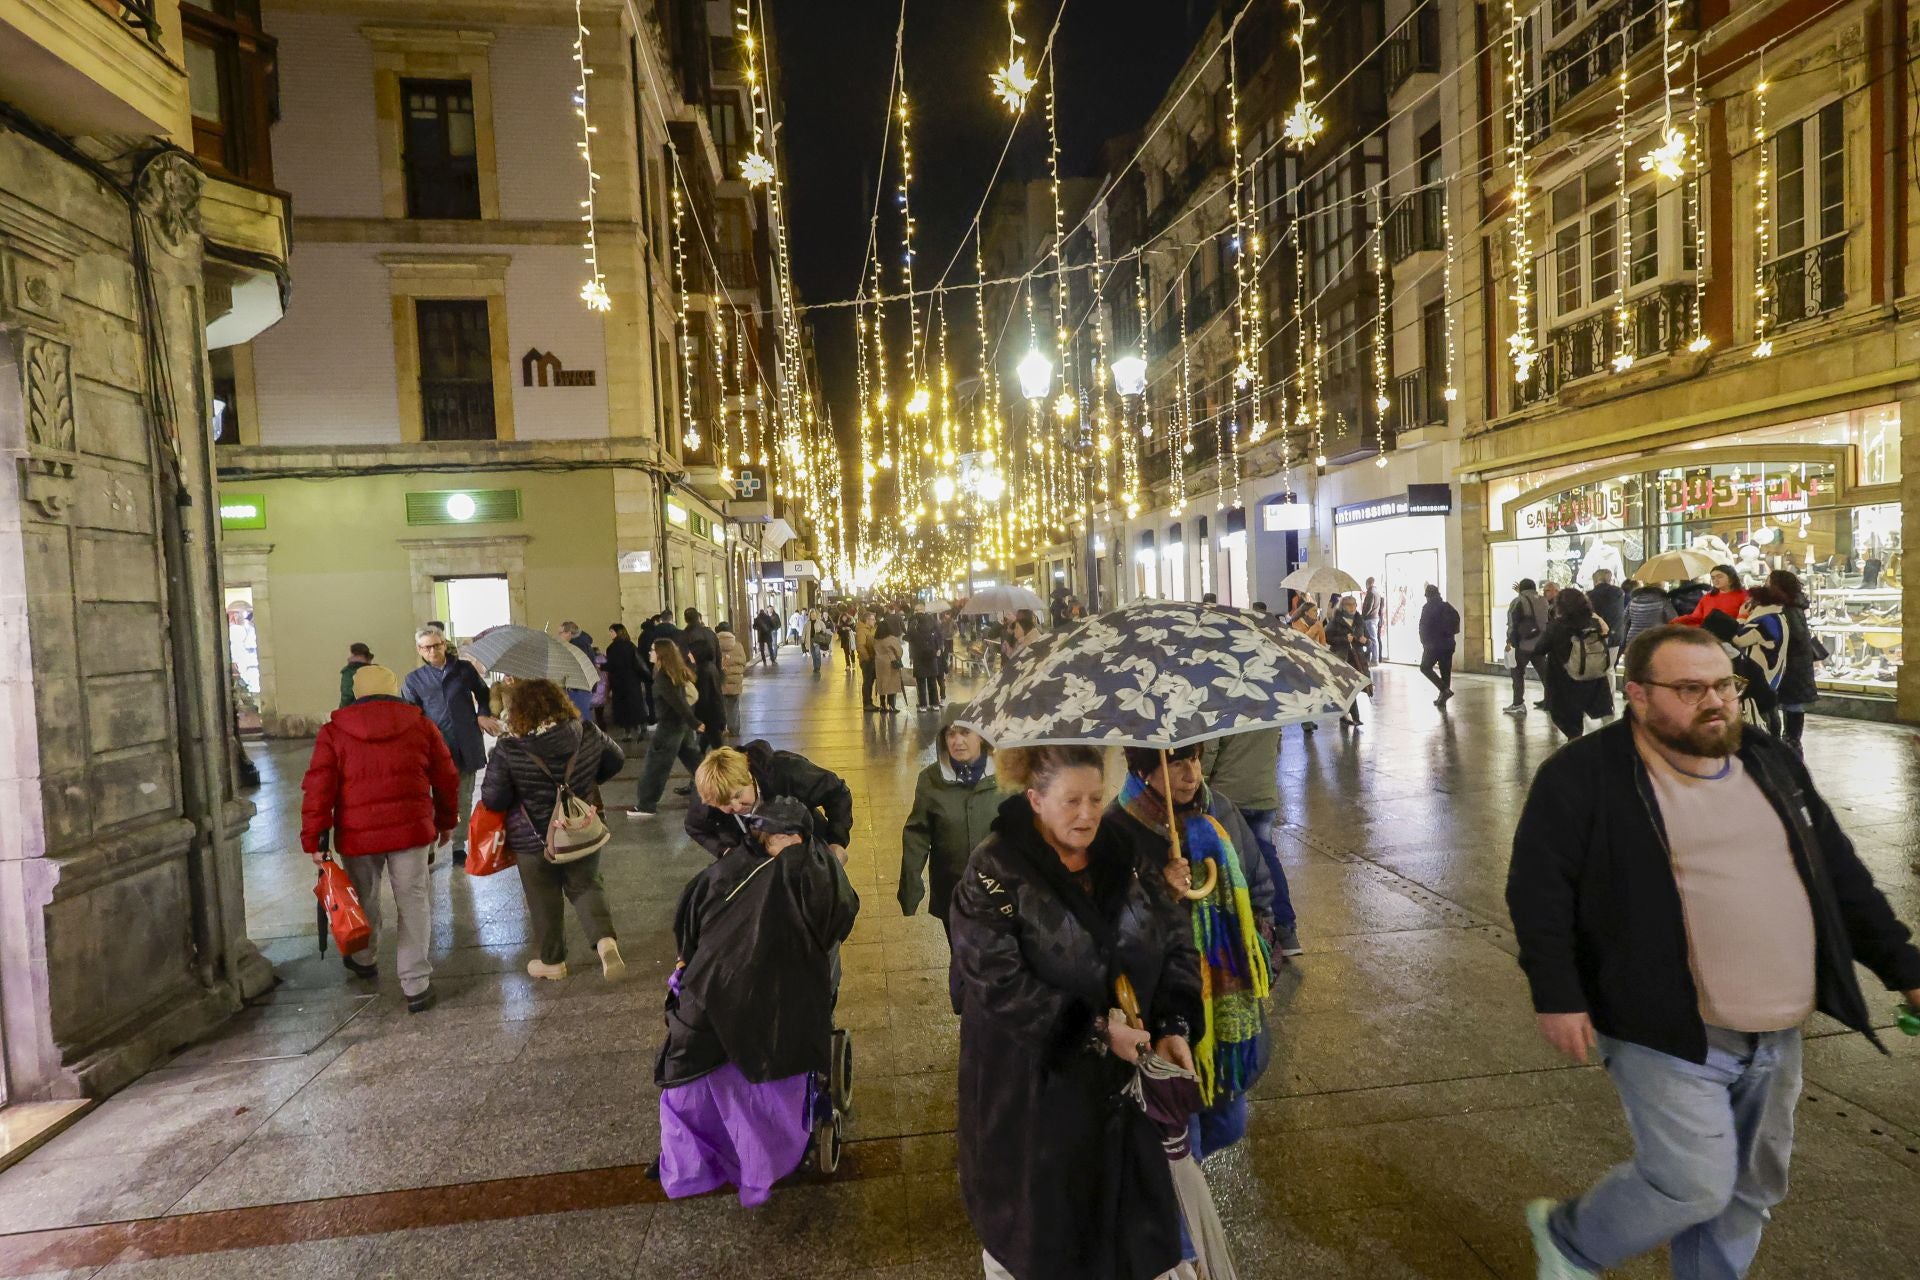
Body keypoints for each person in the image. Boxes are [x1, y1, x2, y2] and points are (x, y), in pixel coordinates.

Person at [1507, 624, 1920, 1280]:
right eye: (1690, 688)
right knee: (1692, 1184)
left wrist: (1904, 968)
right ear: (1637, 695)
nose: (1717, 701)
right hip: (1664, 1027)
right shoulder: (1585, 777)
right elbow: (1539, 894)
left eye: (1725, 684)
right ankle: (1572, 1237)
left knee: (1749, 1193)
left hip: (1778, 1030)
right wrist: (1557, 994)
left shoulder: (1769, 760)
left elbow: (1838, 873)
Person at [950, 745, 1203, 1280]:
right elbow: (998, 983)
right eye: (1070, 801)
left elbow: (1177, 940)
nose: (1086, 813)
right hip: (1034, 1099)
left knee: (1131, 1239)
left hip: (1125, 1094)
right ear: (1036, 799)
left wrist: (1175, 1024)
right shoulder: (993, 871)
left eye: (1094, 798)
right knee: (1050, 1242)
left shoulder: (1127, 851)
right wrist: (1092, 1031)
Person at [655, 796, 858, 1206]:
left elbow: (690, 926)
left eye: (789, 836)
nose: (782, 844)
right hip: (763, 1001)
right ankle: (766, 1151)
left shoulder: (724, 875)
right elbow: (836, 919)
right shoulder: (814, 872)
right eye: (776, 837)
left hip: (713, 1000)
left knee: (694, 1065)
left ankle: (704, 1159)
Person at [1107, 745, 1273, 1162]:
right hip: (1166, 1012)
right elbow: (1112, 931)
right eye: (1177, 763)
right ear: (1145, 771)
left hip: (1225, 1008)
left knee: (1228, 1124)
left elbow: (1258, 888)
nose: (1192, 773)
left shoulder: (1222, 814)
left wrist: (1259, 951)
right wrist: (1161, 894)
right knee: (1184, 1146)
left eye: (1195, 760)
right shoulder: (1117, 829)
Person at [300, 664, 457, 1014]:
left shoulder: (334, 731)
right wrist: (446, 821)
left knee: (363, 895)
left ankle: (364, 957)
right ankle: (416, 983)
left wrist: (314, 838)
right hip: (412, 830)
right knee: (414, 900)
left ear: (356, 691)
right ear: (394, 688)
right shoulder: (420, 723)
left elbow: (318, 788)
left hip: (358, 834)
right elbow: (446, 776)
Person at [479, 678, 626, 981]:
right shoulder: (586, 731)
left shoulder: (509, 748)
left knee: (542, 895)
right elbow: (616, 761)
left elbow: (493, 798)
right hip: (580, 828)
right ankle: (605, 942)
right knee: (586, 885)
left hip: (531, 837)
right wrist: (584, 784)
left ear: (518, 710)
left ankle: (552, 962)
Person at [401, 626, 501, 864]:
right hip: (434, 748)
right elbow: (410, 715)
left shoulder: (463, 670)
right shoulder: (414, 680)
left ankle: (459, 845)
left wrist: (482, 714)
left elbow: (484, 693)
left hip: (465, 743)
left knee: (464, 798)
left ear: (444, 644)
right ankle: (430, 844)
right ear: (420, 650)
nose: (433, 650)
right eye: (427, 647)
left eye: (437, 645)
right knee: (432, 801)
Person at [898, 709, 999, 941]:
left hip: (1001, 893)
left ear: (982, 736)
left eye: (965, 733)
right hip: (953, 890)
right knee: (963, 959)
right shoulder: (930, 780)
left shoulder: (1007, 778)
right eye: (950, 734)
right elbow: (918, 834)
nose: (957, 741)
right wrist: (910, 884)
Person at [1201, 728, 1302, 958]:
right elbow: (1276, 746)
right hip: (1264, 795)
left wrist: (1201, 780)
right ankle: (1286, 928)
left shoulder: (1224, 702)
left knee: (1230, 865)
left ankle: (1241, 932)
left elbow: (1210, 750)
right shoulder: (1267, 702)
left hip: (1230, 797)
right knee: (1266, 858)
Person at [686, 741, 854, 862]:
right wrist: (724, 849)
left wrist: (836, 842)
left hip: (808, 851)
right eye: (724, 804)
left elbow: (837, 793)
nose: (736, 807)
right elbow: (694, 827)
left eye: (738, 795)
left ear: (748, 776)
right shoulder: (708, 794)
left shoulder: (787, 772)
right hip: (755, 862)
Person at [626, 639, 705, 819]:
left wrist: (694, 722)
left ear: (661, 654)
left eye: (653, 650)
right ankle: (720, 785)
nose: (649, 652)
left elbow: (678, 703)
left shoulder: (663, 677)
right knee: (694, 760)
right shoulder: (673, 673)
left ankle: (646, 805)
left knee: (656, 765)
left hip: (670, 727)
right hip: (680, 725)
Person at [1540, 586, 1614, 739]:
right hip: (1594, 678)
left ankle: (1575, 745)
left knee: (1568, 720)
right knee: (1585, 716)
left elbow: (1540, 648)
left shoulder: (1557, 625)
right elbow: (1607, 634)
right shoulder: (1593, 621)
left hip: (1565, 681)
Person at [1731, 582, 1789, 737]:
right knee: (1770, 707)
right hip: (1774, 672)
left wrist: (1741, 617)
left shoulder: (1763, 621)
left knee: (1761, 711)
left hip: (1762, 671)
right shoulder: (1779, 617)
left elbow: (1739, 639)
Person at [1770, 570, 1818, 753]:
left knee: (1791, 703)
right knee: (1790, 703)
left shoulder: (1788, 609)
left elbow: (1794, 637)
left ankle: (1791, 739)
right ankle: (1790, 739)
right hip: (1795, 663)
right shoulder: (1794, 606)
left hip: (1792, 665)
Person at [1503, 579, 1552, 715]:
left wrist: (1510, 642)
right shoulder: (1543, 600)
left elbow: (1513, 624)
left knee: (1517, 673)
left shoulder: (1518, 601)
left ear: (1522, 589)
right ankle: (1552, 700)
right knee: (1545, 674)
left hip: (1524, 644)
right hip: (1540, 644)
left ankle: (1518, 703)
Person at [1324, 595, 1369, 728]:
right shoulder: (1336, 621)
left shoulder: (1359, 620)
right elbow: (1328, 638)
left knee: (1353, 688)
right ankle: (1354, 717)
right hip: (1342, 658)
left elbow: (1369, 640)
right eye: (1349, 604)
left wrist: (1366, 641)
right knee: (1349, 688)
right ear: (1343, 606)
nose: (1352, 607)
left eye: (1354, 604)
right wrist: (1344, 639)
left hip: (1357, 659)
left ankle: (1346, 715)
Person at [1417, 584, 1460, 706]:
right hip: (1448, 645)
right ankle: (1443, 699)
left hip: (1433, 646)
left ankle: (1444, 690)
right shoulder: (1447, 606)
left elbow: (1423, 627)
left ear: (1428, 596)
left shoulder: (1427, 607)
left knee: (1425, 667)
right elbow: (1456, 626)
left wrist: (1425, 642)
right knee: (1445, 672)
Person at [603, 623, 647, 740]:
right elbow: (637, 663)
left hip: (619, 682)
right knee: (635, 705)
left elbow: (612, 665)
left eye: (611, 631)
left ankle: (627, 732)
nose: (610, 634)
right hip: (632, 681)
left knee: (622, 708)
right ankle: (642, 726)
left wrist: (602, 666)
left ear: (617, 632)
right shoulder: (630, 645)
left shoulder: (612, 648)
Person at [687, 635, 726, 755]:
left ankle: (727, 770)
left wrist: (696, 716)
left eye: (691, 652)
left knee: (719, 749)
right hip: (714, 713)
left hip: (709, 716)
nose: (689, 655)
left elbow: (703, 696)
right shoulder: (710, 666)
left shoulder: (703, 671)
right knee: (705, 745)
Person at [1674, 564, 1748, 628]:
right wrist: (1675, 621)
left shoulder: (1744, 596)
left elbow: (1747, 618)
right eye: (1713, 578)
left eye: (1719, 577)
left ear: (1731, 578)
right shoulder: (1707, 597)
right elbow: (1696, 617)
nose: (1716, 580)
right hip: (1708, 635)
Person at [1620, 577, 1677, 652]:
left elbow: (1624, 619)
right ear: (1660, 585)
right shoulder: (1663, 601)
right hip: (1654, 638)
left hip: (1634, 638)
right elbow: (1675, 620)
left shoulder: (1634, 600)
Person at [1586, 569, 1626, 663]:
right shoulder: (1618, 592)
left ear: (1595, 580)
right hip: (1615, 634)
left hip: (1596, 635)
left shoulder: (1590, 595)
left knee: (1596, 666)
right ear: (1609, 579)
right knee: (1610, 668)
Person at [715, 622, 747, 737]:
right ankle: (734, 729)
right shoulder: (738, 645)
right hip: (735, 682)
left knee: (720, 706)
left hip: (720, 681)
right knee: (734, 706)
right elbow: (743, 661)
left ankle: (721, 729)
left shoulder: (714, 644)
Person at [908, 608, 940, 709]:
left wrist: (911, 656)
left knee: (921, 683)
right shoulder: (932, 622)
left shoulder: (914, 624)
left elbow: (911, 641)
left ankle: (923, 706)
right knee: (932, 681)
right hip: (931, 656)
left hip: (919, 657)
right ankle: (935, 704)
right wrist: (938, 649)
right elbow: (939, 636)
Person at [872, 618, 906, 713]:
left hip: (879, 663)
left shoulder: (876, 639)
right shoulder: (891, 638)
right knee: (892, 684)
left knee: (882, 684)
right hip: (890, 663)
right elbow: (899, 651)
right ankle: (892, 706)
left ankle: (882, 705)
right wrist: (897, 656)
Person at [338, 641, 374, 709]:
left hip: (353, 712)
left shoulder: (349, 672)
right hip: (371, 711)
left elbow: (347, 695)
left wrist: (340, 711)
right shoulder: (375, 671)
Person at [855, 610, 878, 711]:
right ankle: (867, 703)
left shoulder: (870, 629)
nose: (874, 621)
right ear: (867, 620)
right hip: (867, 660)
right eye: (872, 619)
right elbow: (860, 646)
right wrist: (867, 658)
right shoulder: (862, 630)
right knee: (867, 682)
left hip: (872, 659)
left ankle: (870, 702)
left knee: (870, 681)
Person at [1358, 577, 1383, 662]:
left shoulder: (1370, 593)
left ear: (1368, 583)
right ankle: (1371, 658)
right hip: (1375, 618)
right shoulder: (1377, 592)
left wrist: (1362, 616)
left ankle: (1375, 659)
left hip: (1369, 619)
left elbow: (1368, 607)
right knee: (1373, 639)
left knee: (1372, 639)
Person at [806, 610, 833, 675]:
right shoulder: (807, 623)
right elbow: (805, 632)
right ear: (810, 615)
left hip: (817, 640)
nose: (813, 616)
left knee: (817, 653)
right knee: (813, 654)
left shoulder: (820, 622)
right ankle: (815, 667)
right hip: (810, 640)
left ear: (816, 615)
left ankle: (818, 667)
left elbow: (824, 629)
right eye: (811, 615)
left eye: (814, 615)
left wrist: (821, 632)